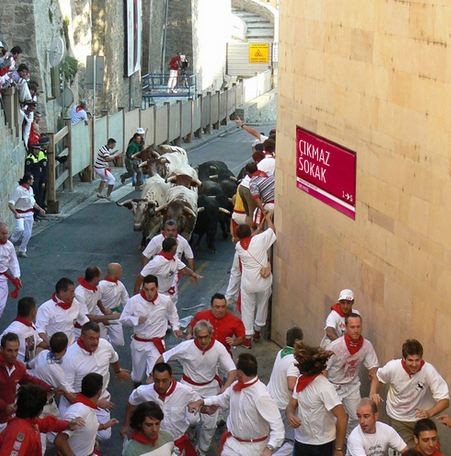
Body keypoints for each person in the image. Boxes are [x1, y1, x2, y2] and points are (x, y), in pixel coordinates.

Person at [159, 320, 237, 455]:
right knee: (192, 420)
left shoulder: (218, 348)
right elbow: (164, 357)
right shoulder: (186, 347)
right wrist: (151, 375)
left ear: (211, 335)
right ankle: (191, 429)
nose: (203, 340)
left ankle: (201, 450)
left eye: (206, 336)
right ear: (195, 336)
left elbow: (232, 370)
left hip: (211, 388)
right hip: (188, 389)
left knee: (210, 425)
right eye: (200, 337)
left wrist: (225, 388)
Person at [190, 352, 285, 456]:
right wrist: (202, 402)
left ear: (240, 372)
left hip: (254, 449)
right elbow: (222, 399)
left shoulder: (262, 396)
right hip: (231, 445)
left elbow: (278, 426)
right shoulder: (235, 385)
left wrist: (269, 448)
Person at [371, 338, 450, 447]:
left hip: (420, 420)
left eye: (417, 360)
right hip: (398, 419)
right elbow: (378, 377)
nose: (414, 364)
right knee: (410, 451)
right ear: (403, 358)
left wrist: (429, 413)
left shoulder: (428, 370)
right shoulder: (393, 367)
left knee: (431, 448)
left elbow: (445, 400)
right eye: (410, 360)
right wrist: (373, 393)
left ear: (421, 358)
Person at [61, 321, 130, 440]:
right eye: (91, 338)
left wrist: (118, 371)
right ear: (82, 337)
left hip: (101, 396)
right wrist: (95, 403)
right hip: (75, 403)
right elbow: (67, 392)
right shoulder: (70, 357)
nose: (95, 342)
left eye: (97, 338)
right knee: (73, 434)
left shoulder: (105, 345)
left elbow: (114, 358)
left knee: (104, 436)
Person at [121, 362, 200, 454]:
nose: (160, 385)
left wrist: (202, 409)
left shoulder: (186, 391)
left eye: (164, 380)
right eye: (157, 380)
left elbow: (199, 402)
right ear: (152, 378)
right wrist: (126, 425)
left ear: (171, 378)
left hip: (178, 440)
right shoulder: (143, 391)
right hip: (156, 443)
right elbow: (132, 402)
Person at [286, 342, 347, 456]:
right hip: (301, 440)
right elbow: (292, 404)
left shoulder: (324, 386)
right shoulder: (300, 380)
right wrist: (290, 414)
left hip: (322, 444)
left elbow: (342, 417)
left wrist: (338, 449)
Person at [120, 275, 182, 386]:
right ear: (143, 288)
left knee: (154, 375)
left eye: (152, 289)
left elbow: (173, 314)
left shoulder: (165, 300)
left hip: (156, 344)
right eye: (146, 289)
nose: (149, 293)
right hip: (139, 343)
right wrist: (136, 320)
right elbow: (123, 319)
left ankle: (152, 399)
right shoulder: (134, 301)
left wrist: (175, 327)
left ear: (157, 288)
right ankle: (137, 393)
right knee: (137, 375)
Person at [326, 313, 379, 435]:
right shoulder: (335, 346)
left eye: (358, 327)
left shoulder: (366, 345)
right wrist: (323, 389)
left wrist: (373, 392)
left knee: (356, 417)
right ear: (345, 327)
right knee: (332, 420)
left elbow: (374, 369)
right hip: (333, 386)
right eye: (352, 327)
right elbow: (324, 370)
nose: (356, 330)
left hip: (351, 385)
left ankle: (351, 444)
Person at [0, 384, 83, 456]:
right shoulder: (19, 433)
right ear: (40, 410)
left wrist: (67, 425)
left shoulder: (27, 421)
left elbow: (45, 423)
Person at [235, 212, 276, 348]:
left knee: (247, 308)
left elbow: (249, 239)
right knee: (262, 305)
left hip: (248, 283)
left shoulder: (238, 247)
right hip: (263, 282)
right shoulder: (259, 240)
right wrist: (269, 219)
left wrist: (257, 230)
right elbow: (272, 230)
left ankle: (247, 338)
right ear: (250, 232)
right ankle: (258, 331)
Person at [55, 373, 118, 455]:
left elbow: (85, 426)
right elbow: (60, 440)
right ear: (99, 392)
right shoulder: (78, 412)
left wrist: (104, 426)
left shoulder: (87, 408)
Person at [0, 332, 52, 432]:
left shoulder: (19, 367)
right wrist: (4, 406)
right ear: (1, 349)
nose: (14, 354)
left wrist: (49, 387)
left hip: (7, 418)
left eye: (16, 350)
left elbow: (29, 379)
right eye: (9, 351)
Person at [267, 326, 304, 456]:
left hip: (270, 401)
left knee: (273, 436)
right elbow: (291, 384)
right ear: (297, 342)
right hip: (283, 406)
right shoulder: (294, 360)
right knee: (292, 440)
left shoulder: (281, 352)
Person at [134, 237, 202, 304]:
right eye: (175, 248)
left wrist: (194, 274)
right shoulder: (156, 262)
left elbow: (184, 269)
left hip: (167, 293)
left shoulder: (174, 258)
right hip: (156, 295)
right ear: (172, 250)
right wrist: (136, 297)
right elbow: (141, 277)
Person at [35, 277, 89, 345]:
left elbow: (84, 320)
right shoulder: (45, 308)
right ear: (61, 292)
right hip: (55, 348)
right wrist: (51, 345)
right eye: (71, 292)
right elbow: (40, 330)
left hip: (71, 347)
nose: (74, 295)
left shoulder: (76, 304)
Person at [75, 265, 120, 338]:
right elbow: (88, 317)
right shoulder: (80, 294)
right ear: (95, 278)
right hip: (81, 328)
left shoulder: (96, 287)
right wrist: (109, 317)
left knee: (103, 341)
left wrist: (104, 310)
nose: (101, 278)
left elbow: (98, 299)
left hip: (95, 322)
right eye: (99, 276)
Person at [8, 172, 46, 257]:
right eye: (32, 179)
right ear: (28, 180)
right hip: (20, 214)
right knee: (20, 229)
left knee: (28, 233)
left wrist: (40, 209)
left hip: (29, 214)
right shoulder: (18, 190)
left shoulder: (30, 189)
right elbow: (11, 204)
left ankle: (22, 250)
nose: (33, 181)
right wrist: (16, 213)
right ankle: (10, 243)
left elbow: (33, 203)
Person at [1, 296, 45, 362]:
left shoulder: (31, 325)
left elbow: (39, 342)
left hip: (29, 368)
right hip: (17, 369)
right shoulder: (13, 330)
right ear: (33, 312)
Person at [98, 262, 129, 346]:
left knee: (119, 342)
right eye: (121, 270)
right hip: (101, 316)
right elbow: (96, 301)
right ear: (117, 273)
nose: (122, 272)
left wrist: (129, 313)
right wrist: (101, 315)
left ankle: (108, 345)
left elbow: (126, 300)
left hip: (115, 315)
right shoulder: (101, 285)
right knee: (101, 342)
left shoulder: (120, 285)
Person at [0, 221, 21, 319]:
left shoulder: (9, 245)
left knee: (1, 305)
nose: (6, 236)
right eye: (3, 233)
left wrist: (16, 276)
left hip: (2, 278)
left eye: (6, 233)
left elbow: (13, 262)